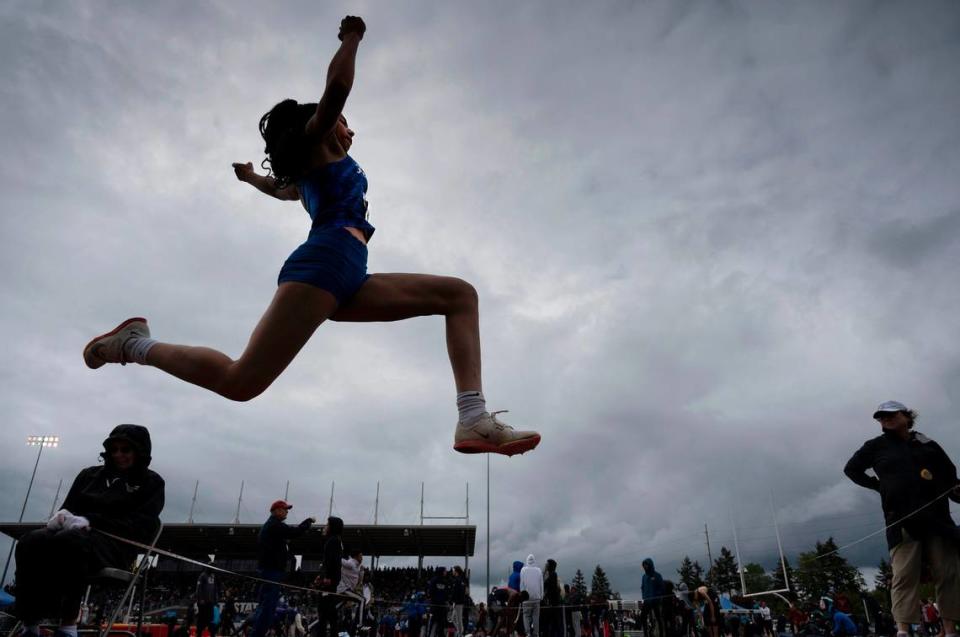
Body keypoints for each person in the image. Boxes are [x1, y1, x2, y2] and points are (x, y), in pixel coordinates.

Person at [81, 14, 540, 459]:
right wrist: (353, 38)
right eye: (344, 122)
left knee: (459, 295)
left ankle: (473, 416)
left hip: (349, 273)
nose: (350, 128)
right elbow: (337, 90)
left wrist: (248, 180)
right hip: (324, 263)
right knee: (241, 382)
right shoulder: (317, 139)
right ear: (319, 123)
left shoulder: (309, 176)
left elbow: (278, 191)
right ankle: (134, 344)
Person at [13, 425, 165, 637]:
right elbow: (68, 507)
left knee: (71, 541)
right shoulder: (89, 475)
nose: (118, 455)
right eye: (114, 450)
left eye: (125, 450)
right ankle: (30, 624)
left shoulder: (151, 483)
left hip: (114, 548)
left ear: (139, 452)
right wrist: (61, 516)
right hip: (72, 537)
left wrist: (90, 520)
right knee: (31, 541)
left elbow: (142, 526)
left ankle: (68, 627)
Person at [844, 400, 960, 637]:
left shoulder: (928, 445)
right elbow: (852, 469)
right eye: (881, 417)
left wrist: (957, 493)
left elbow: (951, 478)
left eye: (890, 414)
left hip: (938, 519)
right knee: (904, 576)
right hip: (901, 520)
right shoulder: (875, 446)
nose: (885, 419)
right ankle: (903, 630)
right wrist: (879, 486)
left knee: (947, 573)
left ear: (906, 416)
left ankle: (950, 630)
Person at [251, 500, 315, 637]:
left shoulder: (271, 526)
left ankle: (255, 632)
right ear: (277, 510)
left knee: (263, 606)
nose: (287, 512)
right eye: (285, 509)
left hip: (268, 570)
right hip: (272, 571)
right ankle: (257, 634)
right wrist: (308, 521)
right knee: (268, 607)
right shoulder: (275, 525)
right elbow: (295, 532)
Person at [315, 516, 345, 637]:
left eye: (327, 524)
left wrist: (326, 577)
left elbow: (331, 561)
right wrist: (321, 575)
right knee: (330, 612)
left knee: (323, 613)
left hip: (329, 582)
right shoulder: (336, 540)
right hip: (331, 580)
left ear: (332, 527)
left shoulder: (333, 540)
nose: (325, 526)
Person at [640, 559, 665, 637]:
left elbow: (661, 588)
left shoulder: (657, 575)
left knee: (658, 618)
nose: (645, 566)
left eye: (646, 565)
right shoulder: (644, 577)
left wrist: (657, 596)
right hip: (647, 601)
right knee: (642, 617)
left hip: (655, 601)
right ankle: (646, 634)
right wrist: (644, 596)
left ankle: (661, 634)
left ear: (650, 565)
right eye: (644, 565)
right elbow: (643, 587)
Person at [520, 554, 543, 637]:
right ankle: (536, 633)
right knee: (536, 616)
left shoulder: (523, 570)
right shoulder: (539, 570)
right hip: (537, 598)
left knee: (526, 616)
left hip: (526, 598)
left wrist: (522, 597)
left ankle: (528, 633)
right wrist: (541, 596)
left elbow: (521, 584)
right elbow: (541, 585)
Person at [196, 566, 220, 637]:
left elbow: (215, 588)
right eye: (212, 568)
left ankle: (212, 634)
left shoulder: (213, 576)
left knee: (211, 619)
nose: (213, 569)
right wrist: (200, 599)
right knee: (201, 619)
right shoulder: (202, 575)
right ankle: (199, 634)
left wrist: (215, 600)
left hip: (210, 602)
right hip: (203, 602)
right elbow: (198, 588)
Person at [450, 566, 467, 637]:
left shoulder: (458, 580)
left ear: (456, 571)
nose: (452, 572)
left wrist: (453, 601)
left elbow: (456, 592)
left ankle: (460, 634)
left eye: (453, 570)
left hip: (458, 603)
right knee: (453, 619)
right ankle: (459, 632)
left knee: (459, 619)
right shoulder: (460, 579)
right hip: (457, 602)